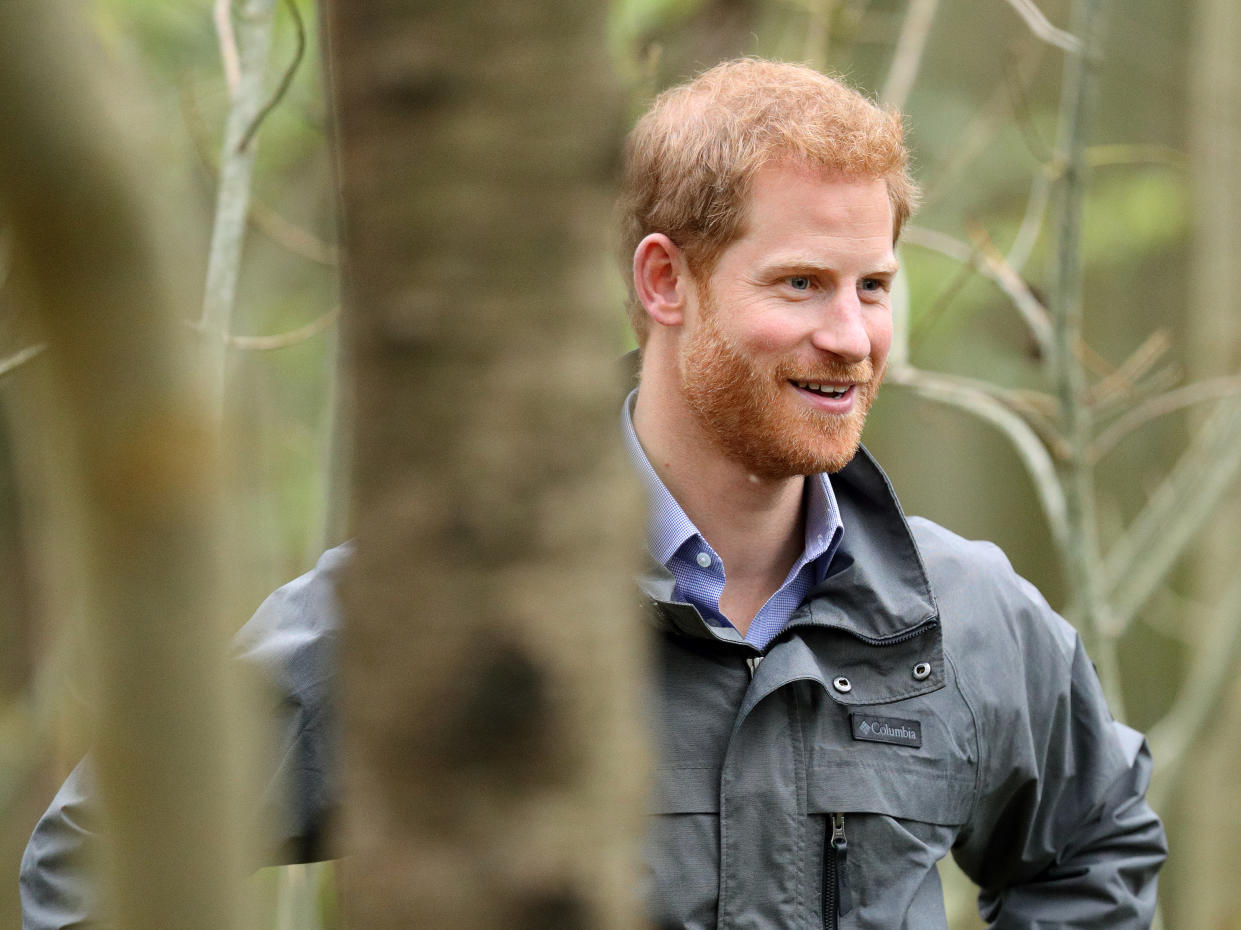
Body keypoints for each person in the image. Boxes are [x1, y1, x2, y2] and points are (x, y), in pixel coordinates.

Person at [21, 58, 1166, 929]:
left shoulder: (964, 618)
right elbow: (99, 863)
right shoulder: (442, 608)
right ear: (664, 281)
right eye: (801, 284)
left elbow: (1098, 844)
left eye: (873, 285)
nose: (851, 337)